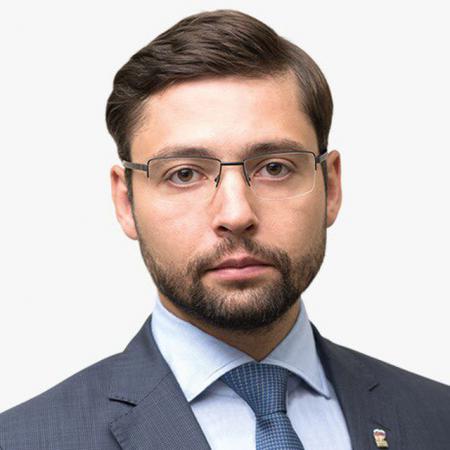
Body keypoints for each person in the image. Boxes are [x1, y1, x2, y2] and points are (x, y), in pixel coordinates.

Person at [0, 8, 449, 450]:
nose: (235, 214)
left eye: (274, 167)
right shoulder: (23, 441)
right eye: (184, 174)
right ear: (126, 201)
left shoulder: (437, 418)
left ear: (330, 186)